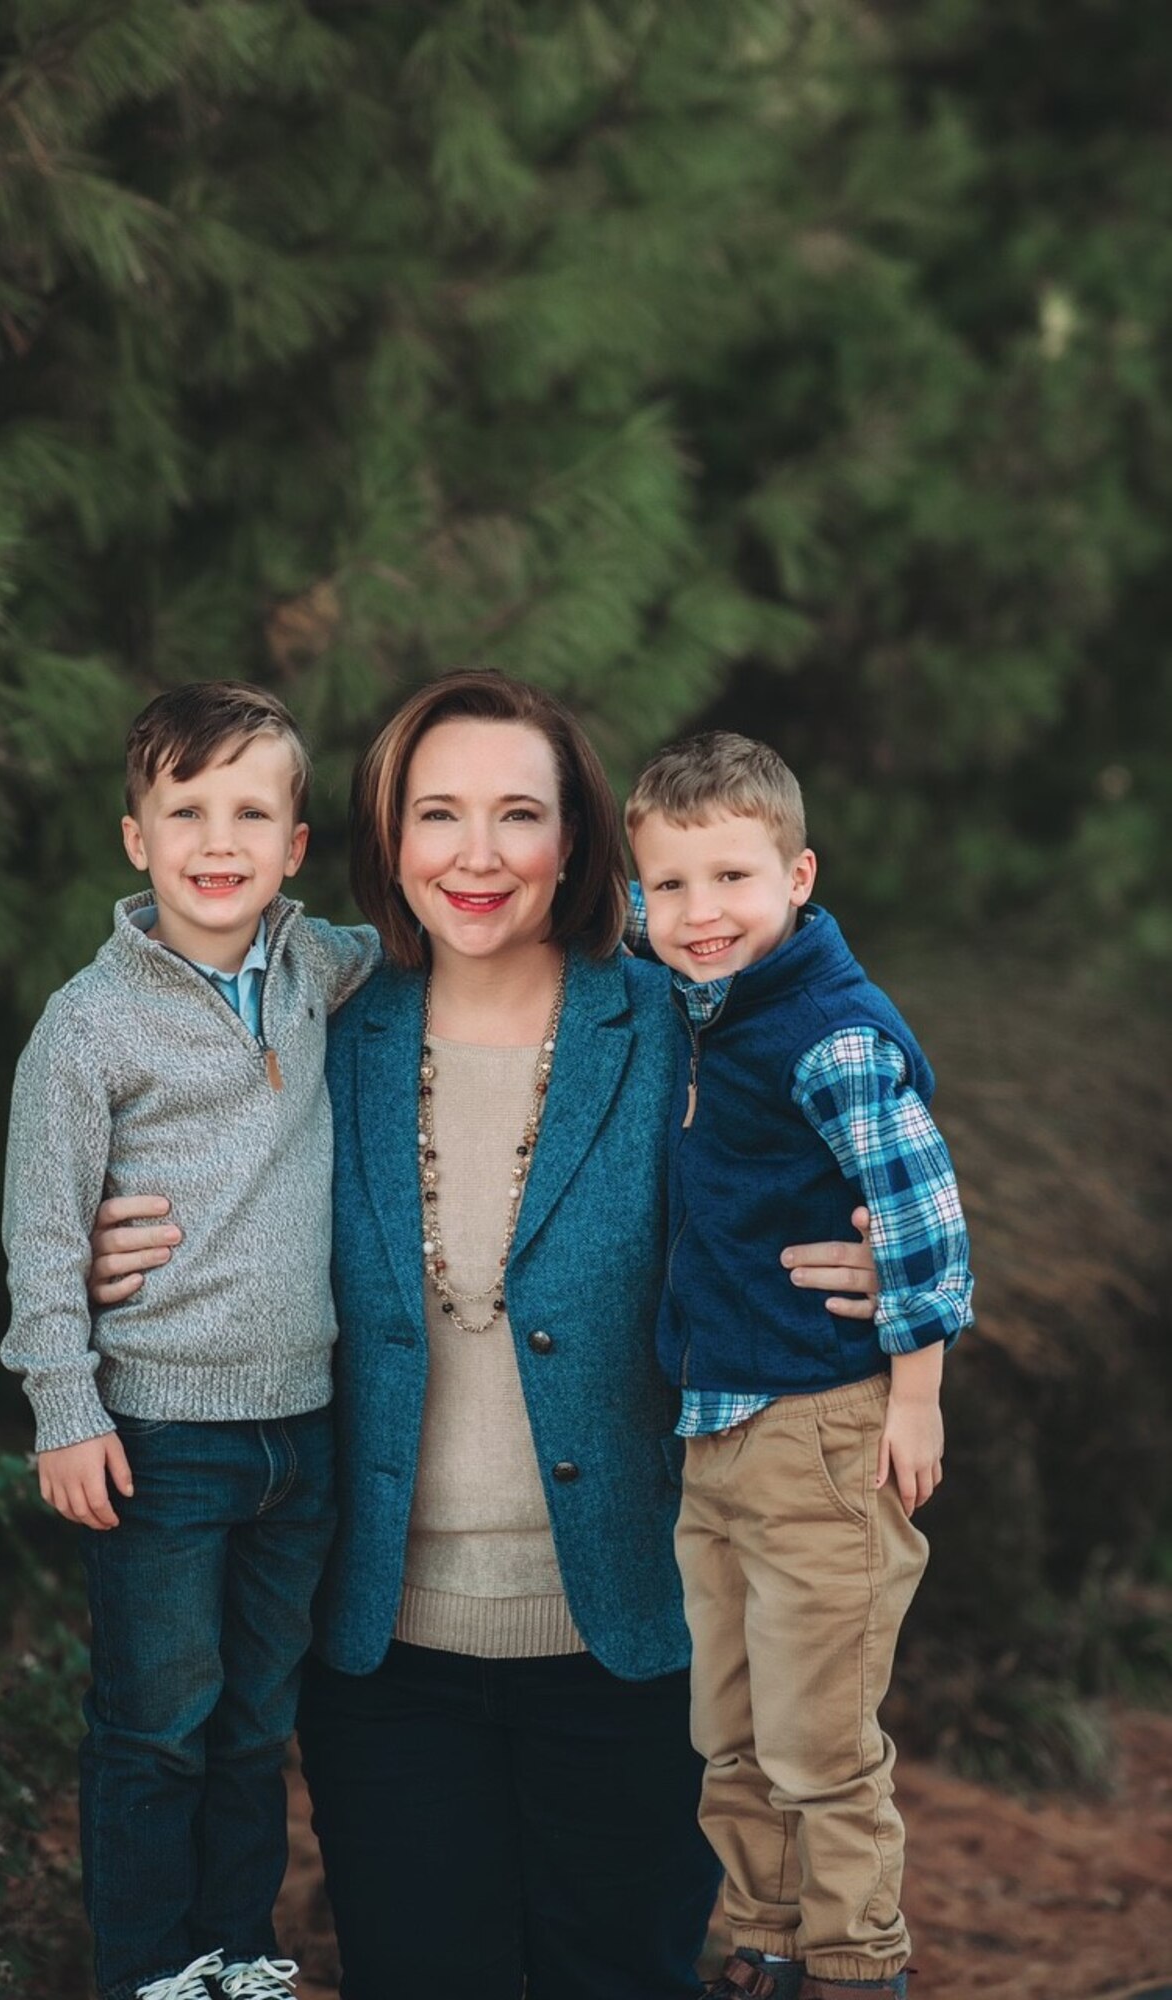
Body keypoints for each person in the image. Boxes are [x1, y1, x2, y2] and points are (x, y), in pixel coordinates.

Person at [87, 671, 880, 2000]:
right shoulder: (318, 1027)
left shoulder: (680, 1026)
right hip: (387, 1663)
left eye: (518, 815)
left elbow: (846, 1074)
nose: (474, 855)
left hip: (637, 1643)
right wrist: (117, 1239)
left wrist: (882, 1257)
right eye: (434, 814)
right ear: (384, 842)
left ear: (574, 841)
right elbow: (176, 1149)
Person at [1, 682, 380, 2000]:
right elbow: (45, 1236)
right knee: (156, 1729)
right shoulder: (90, 1024)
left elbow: (461, 932)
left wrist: (650, 914)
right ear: (134, 837)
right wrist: (65, 1405)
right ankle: (150, 1971)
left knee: (252, 1724)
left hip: (302, 1432)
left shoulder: (324, 966)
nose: (216, 841)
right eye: (184, 811)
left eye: (248, 812)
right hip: (160, 1435)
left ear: (292, 842)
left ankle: (242, 1954)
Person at [624, 730, 974, 2000]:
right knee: (728, 1731)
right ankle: (763, 1945)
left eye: (730, 879)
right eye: (668, 885)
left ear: (800, 874)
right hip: (716, 1430)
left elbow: (923, 1221)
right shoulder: (709, 985)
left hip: (823, 1429)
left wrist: (917, 1397)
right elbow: (626, 908)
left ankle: (851, 1963)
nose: (697, 911)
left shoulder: (827, 1036)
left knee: (820, 1741)